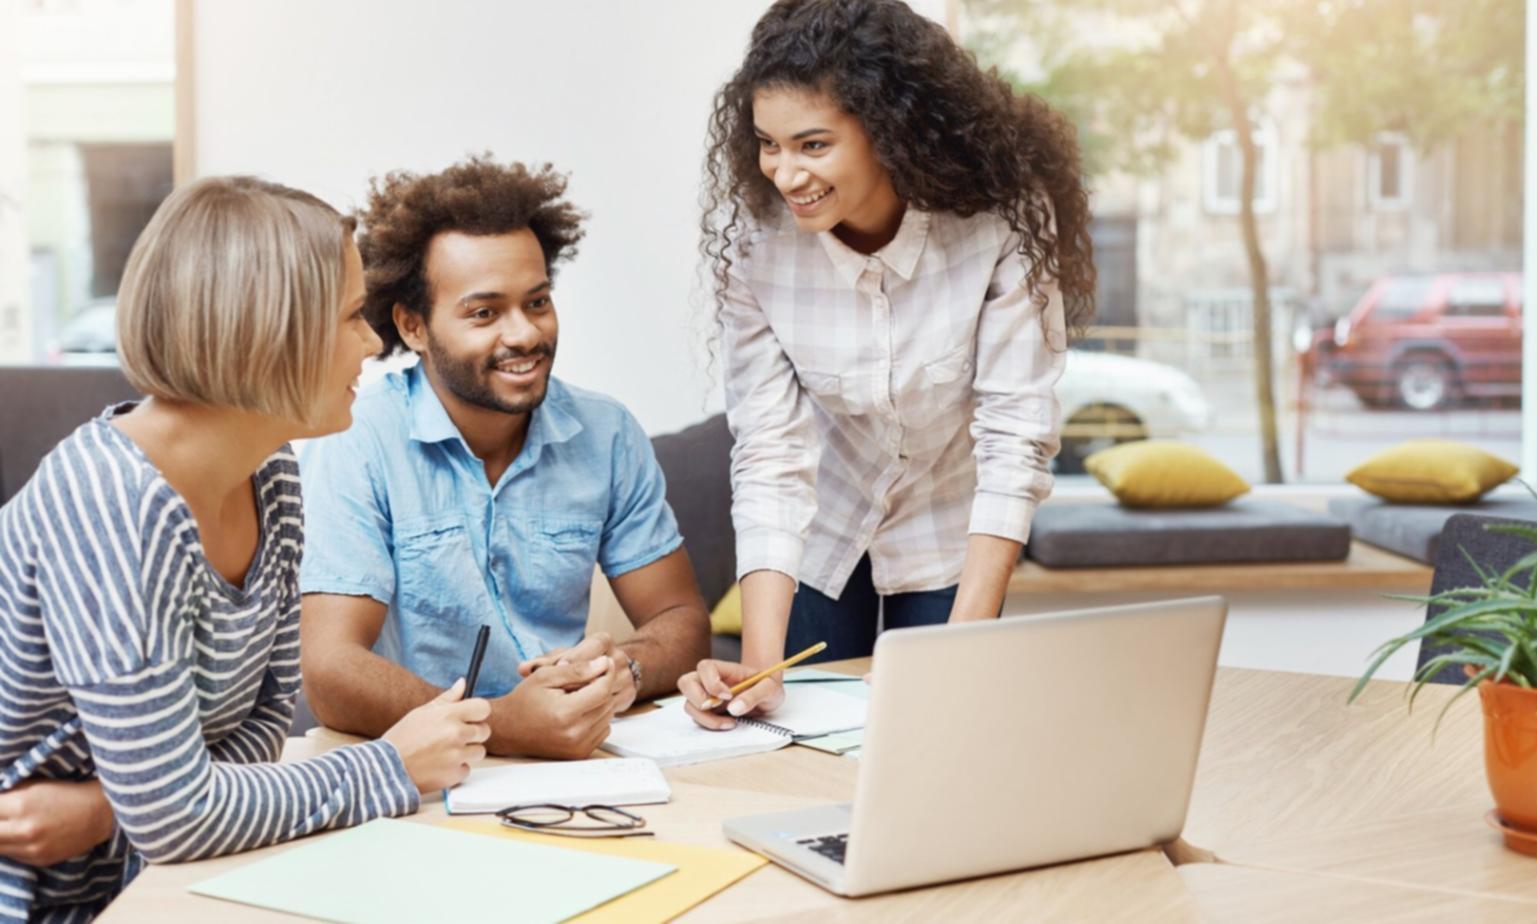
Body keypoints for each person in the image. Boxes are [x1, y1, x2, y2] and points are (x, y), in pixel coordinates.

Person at [0, 177, 490, 921]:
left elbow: (256, 736)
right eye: (353, 316)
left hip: (145, 876)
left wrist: (123, 804)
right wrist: (390, 764)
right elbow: (176, 813)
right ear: (268, 332)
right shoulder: (110, 501)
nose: (372, 342)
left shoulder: (272, 474)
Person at [678, 0, 1097, 729]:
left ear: (890, 129)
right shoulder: (756, 247)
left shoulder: (998, 220)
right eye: (767, 145)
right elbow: (771, 453)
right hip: (824, 526)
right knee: (796, 743)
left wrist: (967, 640)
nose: (784, 172)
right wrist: (757, 665)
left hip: (948, 527)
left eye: (812, 144)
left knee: (939, 735)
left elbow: (1013, 436)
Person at [298, 157, 710, 760]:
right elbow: (332, 673)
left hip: (576, 764)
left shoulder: (607, 432)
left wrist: (626, 670)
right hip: (413, 770)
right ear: (413, 326)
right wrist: (505, 723)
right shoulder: (358, 438)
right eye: (484, 313)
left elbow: (681, 618)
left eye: (537, 302)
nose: (523, 335)